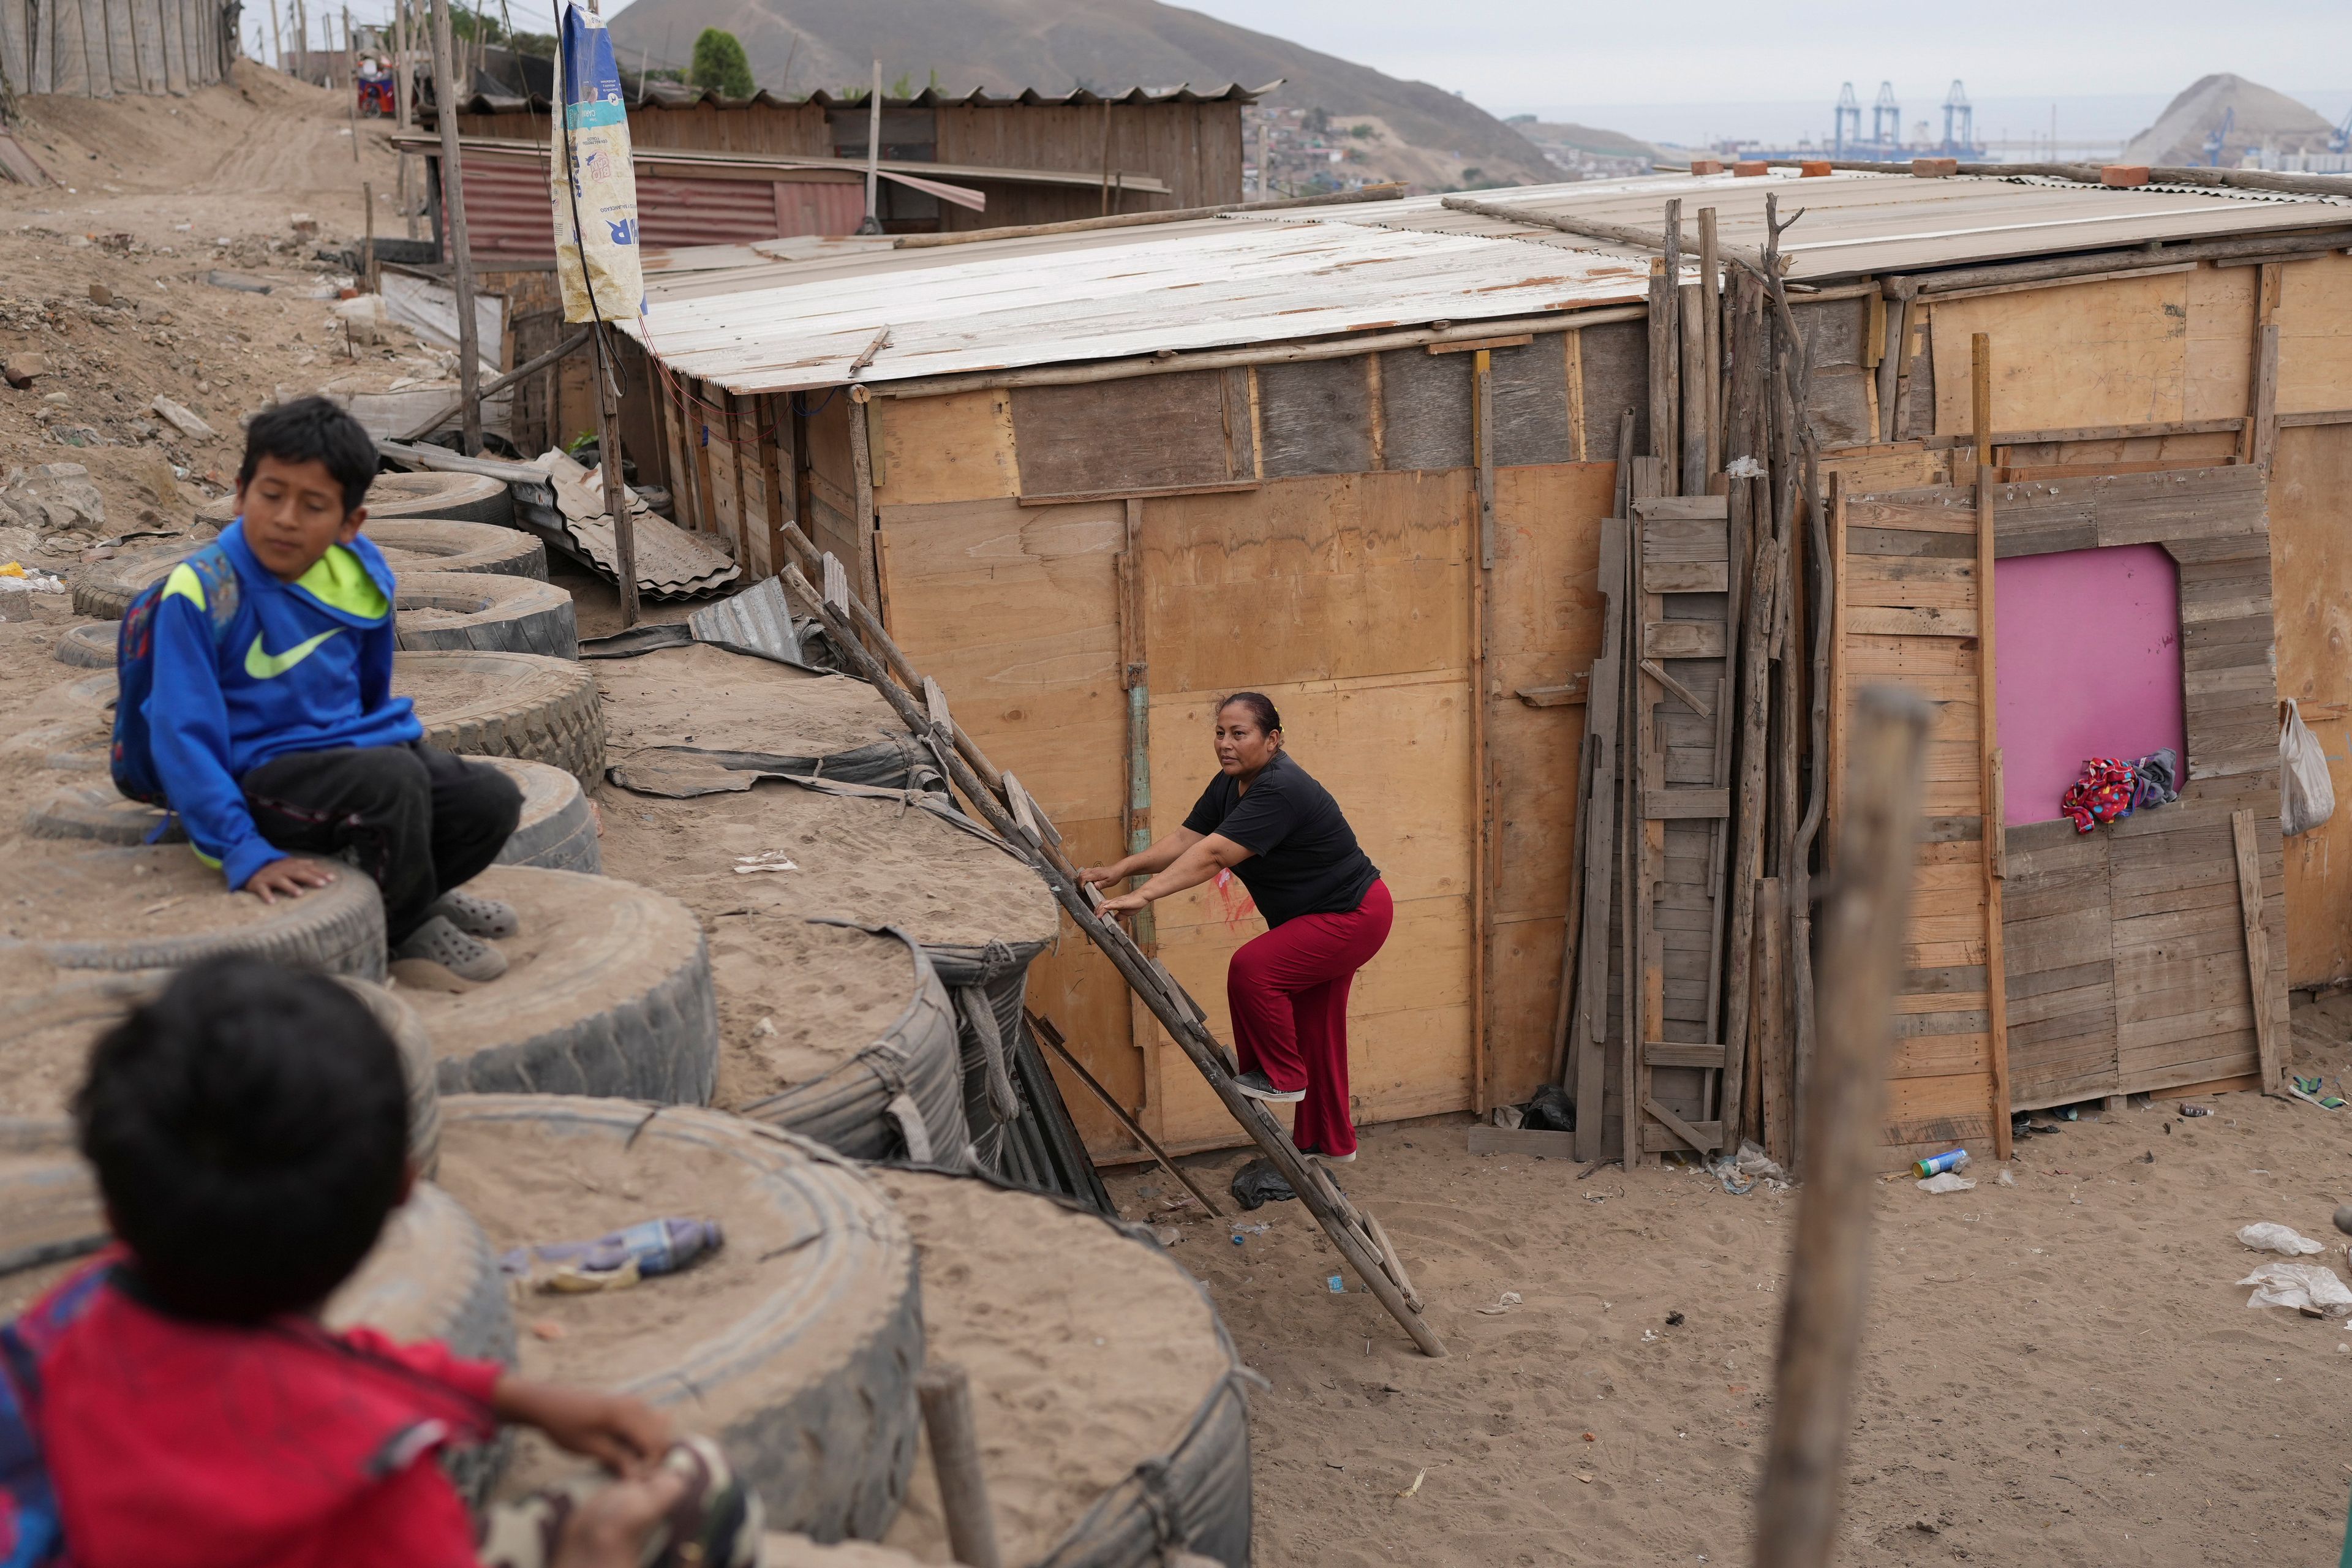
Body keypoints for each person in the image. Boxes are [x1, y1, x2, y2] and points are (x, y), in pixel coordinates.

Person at [1, 957, 761, 1568]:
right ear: (404, 1191)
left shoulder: (60, 1328)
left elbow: (310, 1363)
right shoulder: (372, 1495)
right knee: (700, 1491)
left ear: (111, 1213)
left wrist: (512, 1396)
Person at [132, 396, 522, 981]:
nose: (287, 518)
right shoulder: (203, 590)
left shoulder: (360, 574)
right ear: (240, 494)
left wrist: (392, 752)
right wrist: (240, 848)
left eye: (313, 505)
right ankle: (403, 928)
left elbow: (370, 690)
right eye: (271, 494)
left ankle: (420, 888)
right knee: (392, 783)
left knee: (489, 798)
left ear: (349, 524)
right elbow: (180, 732)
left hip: (342, 760)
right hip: (256, 776)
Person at [1079, 693, 1392, 1164]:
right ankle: (1330, 1143)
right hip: (1317, 917)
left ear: (1272, 740)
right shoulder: (1231, 784)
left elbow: (1216, 855)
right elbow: (1189, 838)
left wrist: (1144, 896)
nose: (1225, 744)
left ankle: (1283, 1077)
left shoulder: (1280, 788)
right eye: (1220, 733)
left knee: (1254, 969)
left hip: (1352, 914)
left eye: (1239, 734)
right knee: (1316, 1027)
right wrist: (1123, 869)